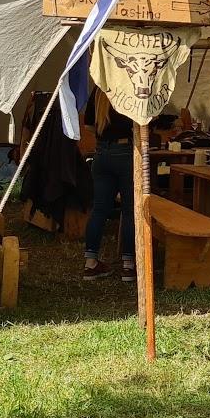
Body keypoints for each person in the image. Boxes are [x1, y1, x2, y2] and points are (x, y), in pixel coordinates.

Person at [82, 88, 135, 282]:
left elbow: (88, 125)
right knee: (129, 211)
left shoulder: (99, 89)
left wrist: (105, 131)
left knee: (99, 210)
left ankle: (90, 263)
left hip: (101, 153)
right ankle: (128, 265)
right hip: (125, 152)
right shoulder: (130, 86)